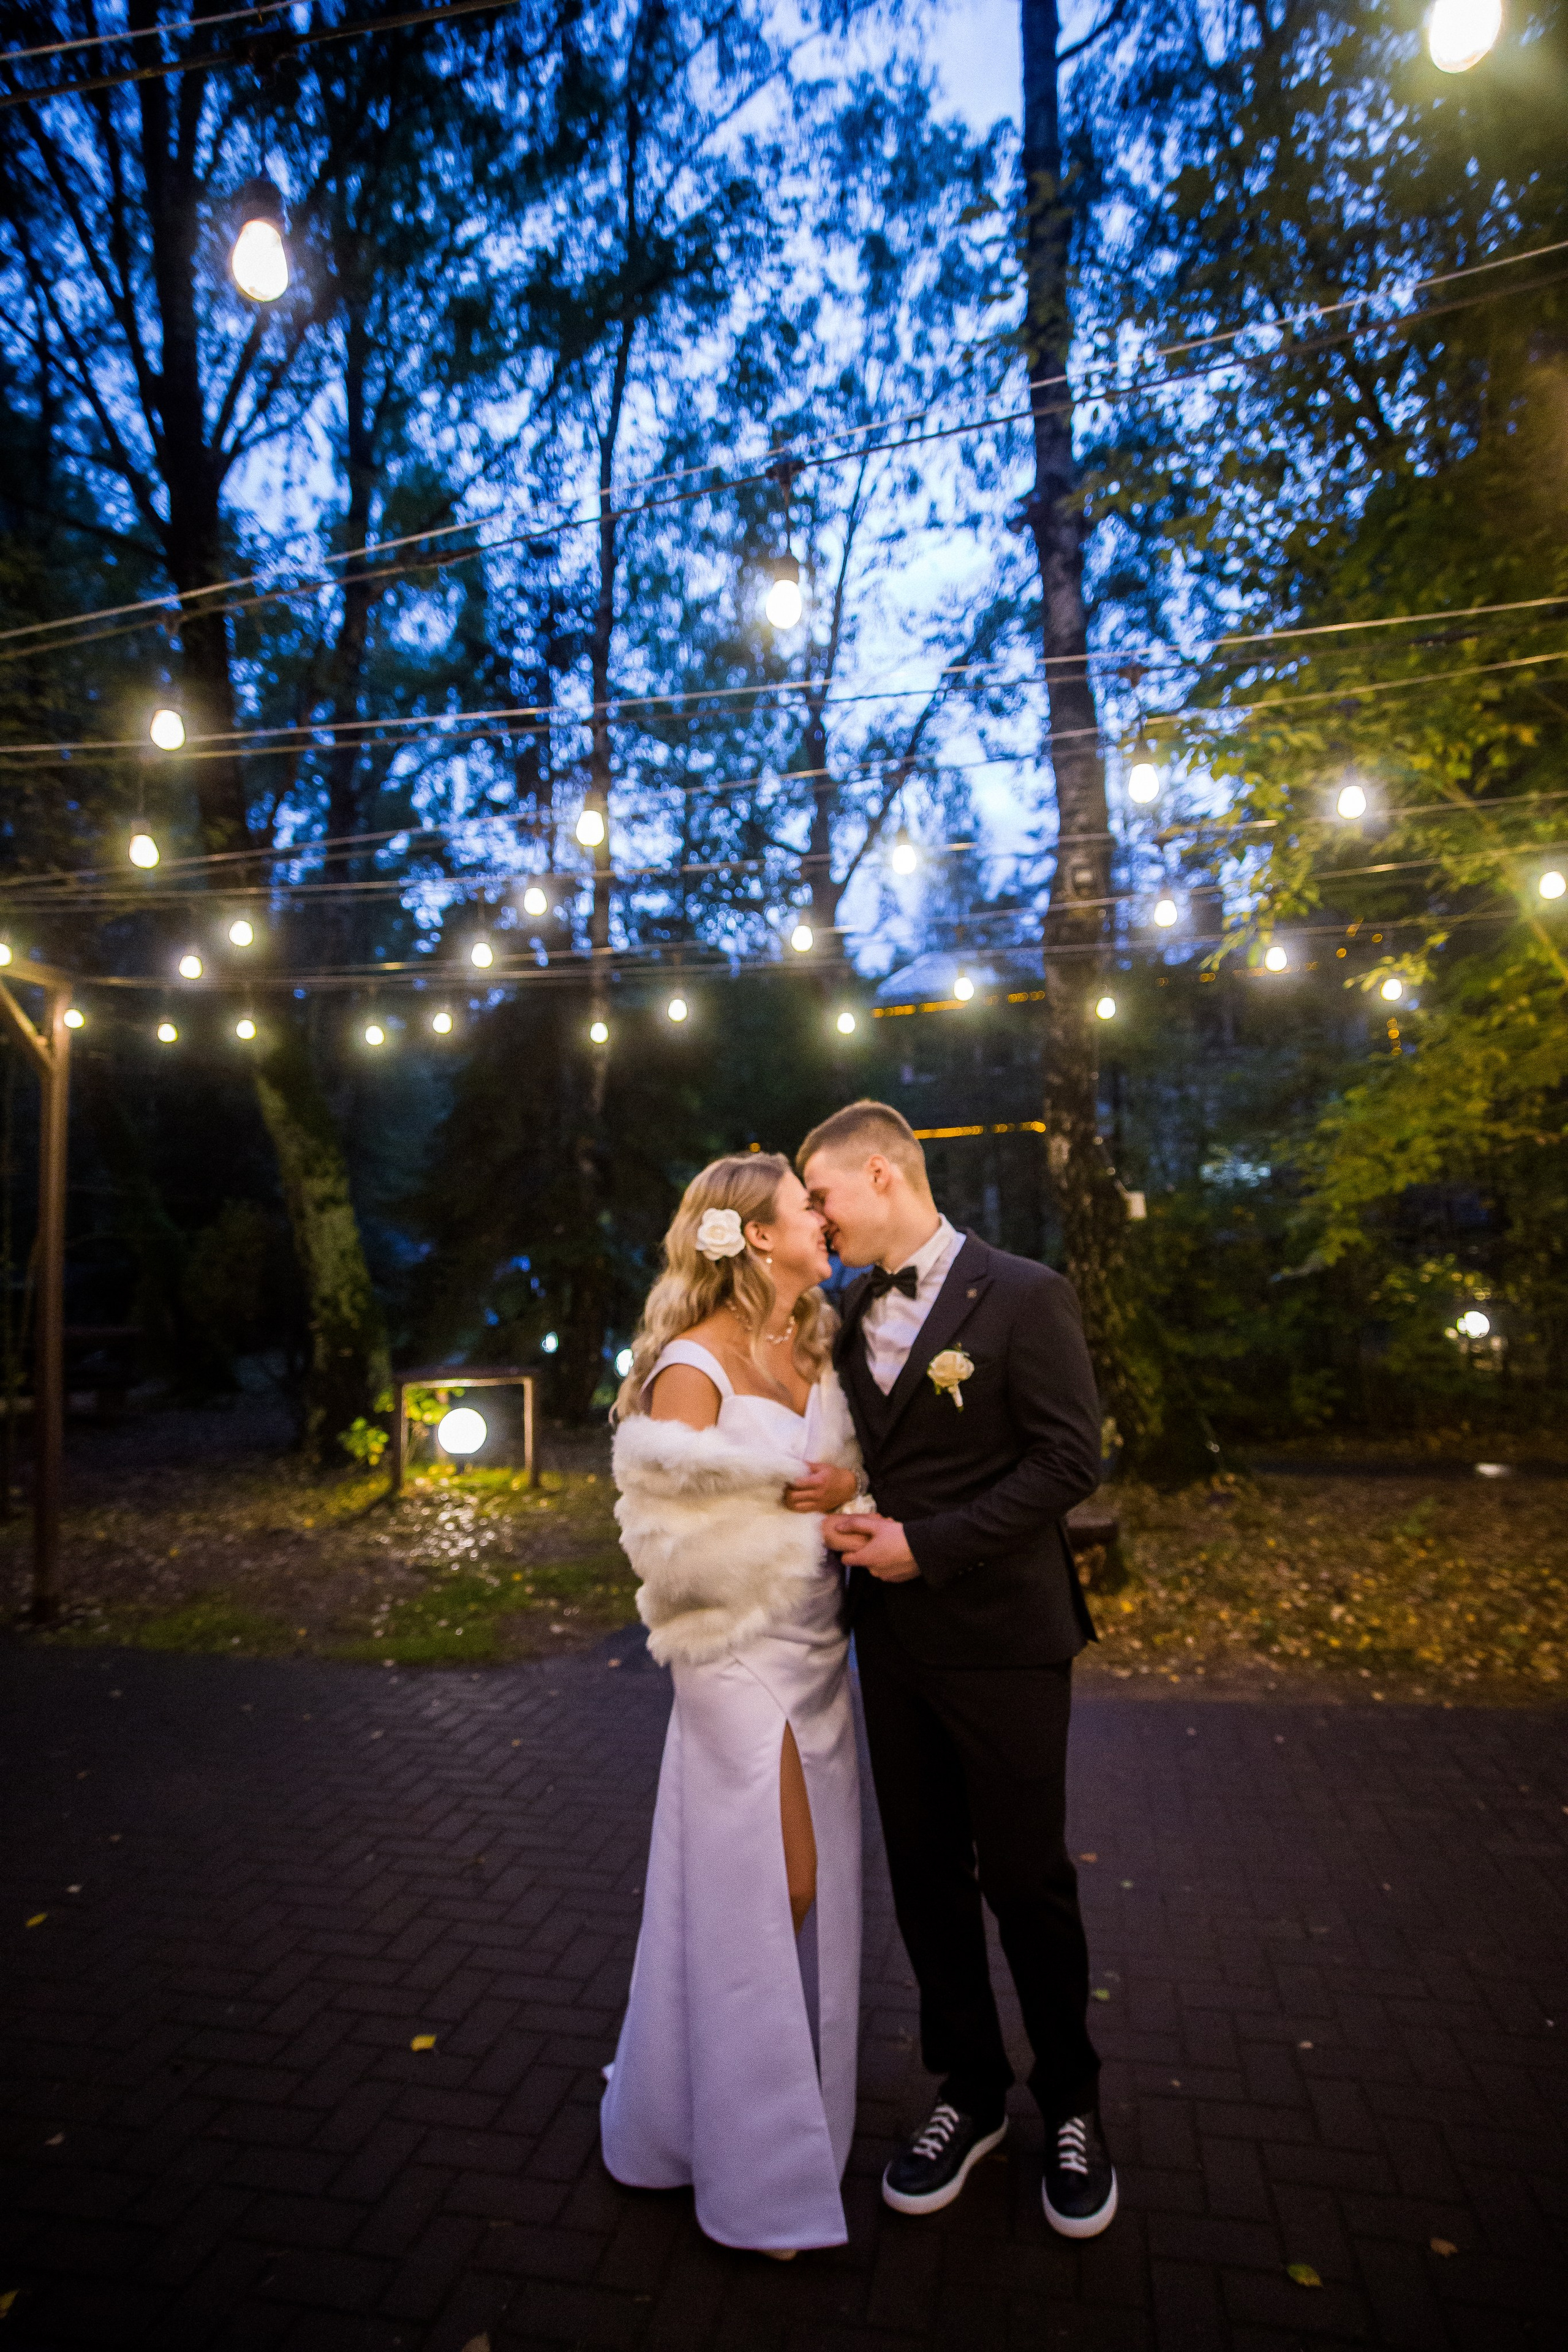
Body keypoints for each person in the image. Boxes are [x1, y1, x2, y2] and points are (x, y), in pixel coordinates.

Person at [799, 1100, 1118, 2239]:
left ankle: (1072, 2103)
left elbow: (1069, 1460)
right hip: (891, 1646)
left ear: (881, 1175)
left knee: (1027, 1880)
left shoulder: (1025, 1294)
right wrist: (851, 1498)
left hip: (1008, 1643)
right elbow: (874, 1452)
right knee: (926, 1879)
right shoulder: (844, 1313)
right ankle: (970, 2090)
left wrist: (925, 1545)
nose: (817, 1220)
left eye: (822, 1196)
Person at [600, 1153, 868, 2257]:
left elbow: (849, 1476)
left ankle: (688, 2104)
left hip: (824, 1652)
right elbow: (665, 1547)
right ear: (758, 1235)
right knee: (776, 1886)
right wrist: (786, 1510)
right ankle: (759, 2174)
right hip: (737, 1654)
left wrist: (849, 1489)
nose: (825, 1220)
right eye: (808, 1207)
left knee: (812, 1891)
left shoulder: (815, 1345)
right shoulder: (692, 1365)